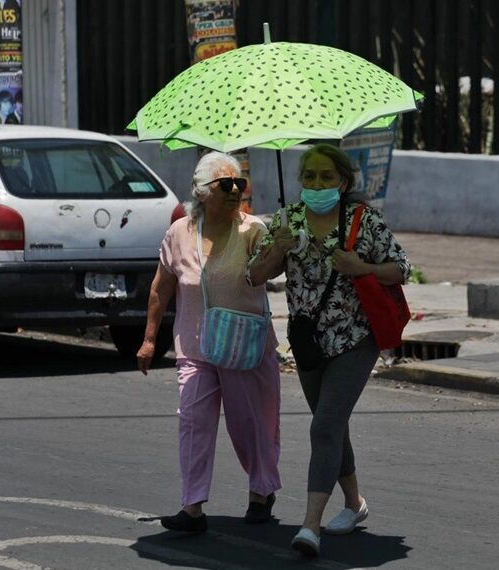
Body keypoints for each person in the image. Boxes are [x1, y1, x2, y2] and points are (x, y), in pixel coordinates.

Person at [247, 144, 411, 556]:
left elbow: (400, 268)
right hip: (308, 342)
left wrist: (364, 268)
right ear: (300, 180)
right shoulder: (287, 220)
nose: (316, 184)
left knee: (323, 427)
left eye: (325, 177)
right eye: (309, 177)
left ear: (342, 181)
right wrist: (278, 249)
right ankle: (355, 504)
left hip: (356, 338)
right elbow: (254, 275)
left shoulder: (362, 219)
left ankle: (309, 527)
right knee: (331, 425)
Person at [137, 151, 281, 533]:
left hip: (244, 346)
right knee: (193, 423)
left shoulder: (254, 230)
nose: (235, 190)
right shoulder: (180, 233)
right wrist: (149, 340)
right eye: (225, 184)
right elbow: (160, 288)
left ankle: (261, 490)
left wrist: (281, 245)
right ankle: (192, 506)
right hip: (196, 347)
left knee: (250, 424)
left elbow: (268, 274)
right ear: (202, 192)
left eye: (239, 183)